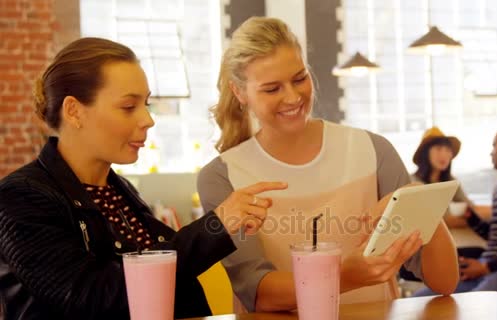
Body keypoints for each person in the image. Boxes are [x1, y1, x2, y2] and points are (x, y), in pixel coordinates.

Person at [0, 37, 286, 319]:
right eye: (128, 107)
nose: (148, 120)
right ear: (74, 111)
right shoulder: (22, 197)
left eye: (146, 104)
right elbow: (91, 296)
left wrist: (224, 226)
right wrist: (216, 226)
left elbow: (172, 274)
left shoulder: (116, 190)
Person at [197, 16, 459, 313]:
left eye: (299, 78)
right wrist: (343, 276)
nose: (293, 97)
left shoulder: (373, 151)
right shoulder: (221, 177)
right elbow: (257, 292)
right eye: (272, 89)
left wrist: (421, 205)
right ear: (240, 92)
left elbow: (445, 282)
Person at [413, 128, 497, 296]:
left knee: (474, 306)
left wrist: (486, 266)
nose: (491, 153)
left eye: (494, 146)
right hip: (488, 265)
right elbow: (496, 237)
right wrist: (472, 219)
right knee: (420, 298)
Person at [411, 126, 472, 228]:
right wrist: (472, 220)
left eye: (448, 150)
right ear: (425, 153)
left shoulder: (451, 181)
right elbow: (439, 221)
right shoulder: (414, 183)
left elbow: (469, 207)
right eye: (438, 149)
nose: (444, 154)